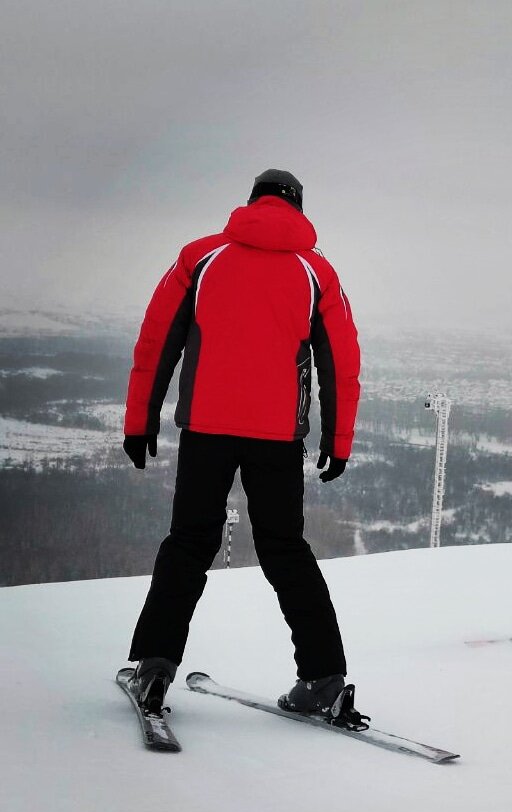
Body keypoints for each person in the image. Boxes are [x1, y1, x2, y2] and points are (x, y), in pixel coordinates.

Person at [122, 169, 365, 726]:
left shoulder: (200, 257)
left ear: (251, 200)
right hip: (278, 438)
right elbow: (342, 364)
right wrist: (338, 439)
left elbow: (156, 340)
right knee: (285, 548)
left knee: (188, 543)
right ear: (299, 206)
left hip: (206, 431)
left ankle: (155, 669)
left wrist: (140, 421)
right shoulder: (318, 272)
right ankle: (324, 680)